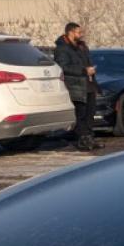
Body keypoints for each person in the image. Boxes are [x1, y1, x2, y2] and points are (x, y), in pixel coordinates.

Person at [53, 22, 97, 150]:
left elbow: (87, 62)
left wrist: (91, 73)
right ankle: (82, 141)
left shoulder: (82, 47)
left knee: (90, 113)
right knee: (80, 115)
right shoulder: (62, 48)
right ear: (71, 32)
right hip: (76, 86)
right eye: (78, 32)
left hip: (88, 84)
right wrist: (84, 70)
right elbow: (63, 67)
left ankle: (90, 139)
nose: (81, 34)